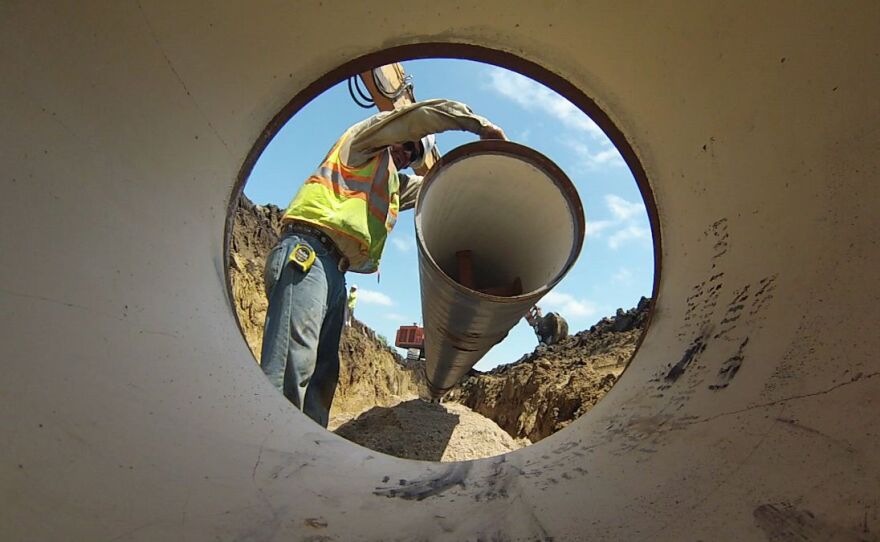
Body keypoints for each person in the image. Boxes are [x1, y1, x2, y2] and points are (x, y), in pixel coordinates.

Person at [260, 98, 506, 427]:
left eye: (413, 156)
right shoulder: (362, 143)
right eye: (407, 144)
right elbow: (419, 117)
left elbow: (441, 188)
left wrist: (485, 176)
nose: (405, 155)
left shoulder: (392, 185)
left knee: (323, 375)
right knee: (293, 365)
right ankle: (268, 453)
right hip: (308, 254)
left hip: (336, 272)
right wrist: (479, 125)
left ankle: (306, 456)